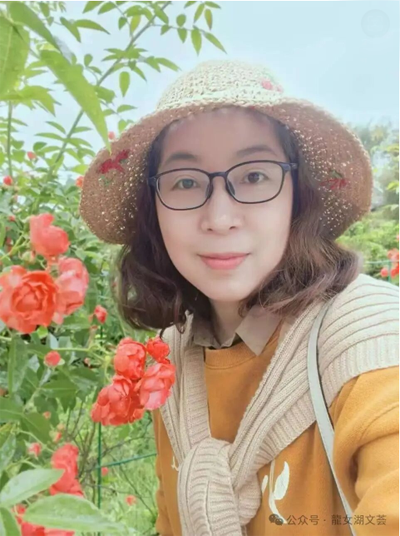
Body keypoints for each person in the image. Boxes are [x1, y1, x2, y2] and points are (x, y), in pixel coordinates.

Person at [79, 60, 399, 536]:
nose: (220, 218)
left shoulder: (373, 345)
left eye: (254, 176)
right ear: (153, 210)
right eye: (186, 181)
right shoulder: (175, 360)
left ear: (297, 194)